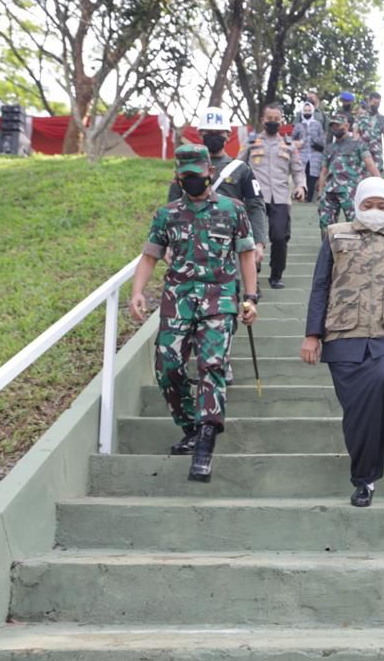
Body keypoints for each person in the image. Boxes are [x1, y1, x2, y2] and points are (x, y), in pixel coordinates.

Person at [130, 144, 260, 482]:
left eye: (197, 175)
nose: (191, 180)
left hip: (219, 300)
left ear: (210, 173)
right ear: (178, 177)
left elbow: (246, 255)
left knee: (212, 365)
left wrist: (250, 297)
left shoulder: (233, 209)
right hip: (178, 301)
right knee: (167, 367)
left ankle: (205, 441)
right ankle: (190, 426)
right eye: (185, 175)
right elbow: (150, 255)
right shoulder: (167, 214)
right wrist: (137, 292)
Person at [301, 176, 384, 507]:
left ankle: (364, 480)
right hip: (343, 334)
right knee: (357, 411)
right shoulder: (335, 234)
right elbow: (320, 286)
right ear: (357, 203)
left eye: (382, 205)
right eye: (368, 204)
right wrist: (312, 335)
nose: (375, 210)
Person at [168, 107, 267, 269]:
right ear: (200, 134)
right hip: (193, 244)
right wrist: (169, 240)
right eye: (209, 132)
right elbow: (172, 204)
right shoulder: (185, 168)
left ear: (228, 135)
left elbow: (255, 206)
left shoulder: (241, 169)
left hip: (231, 245)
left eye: (218, 132)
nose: (213, 136)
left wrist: (258, 242)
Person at [240, 102, 307, 290]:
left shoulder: (288, 145)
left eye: (276, 119)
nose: (273, 122)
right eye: (269, 119)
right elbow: (239, 165)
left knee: (279, 237)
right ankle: (253, 277)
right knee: (254, 239)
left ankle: (276, 275)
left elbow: (297, 169)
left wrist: (301, 186)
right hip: (255, 197)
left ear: (281, 121)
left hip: (280, 197)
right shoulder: (251, 142)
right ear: (263, 120)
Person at [316, 112, 380, 233]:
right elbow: (324, 172)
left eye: (338, 125)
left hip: (350, 191)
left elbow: (370, 165)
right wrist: (320, 193)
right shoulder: (329, 148)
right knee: (325, 225)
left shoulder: (358, 144)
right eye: (333, 126)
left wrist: (380, 185)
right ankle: (327, 246)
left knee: (356, 225)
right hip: (330, 191)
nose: (335, 128)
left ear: (346, 125)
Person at [293, 101, 325, 201]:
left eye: (309, 110)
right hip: (302, 154)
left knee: (313, 176)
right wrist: (298, 143)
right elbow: (291, 139)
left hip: (315, 155)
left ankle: (310, 198)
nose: (307, 112)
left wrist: (315, 140)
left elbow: (323, 140)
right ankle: (302, 195)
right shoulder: (298, 125)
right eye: (305, 111)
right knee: (302, 174)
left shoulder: (318, 124)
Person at [356, 91, 384, 173]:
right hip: (363, 151)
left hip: (376, 152)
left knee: (376, 175)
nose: (376, 105)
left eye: (378, 103)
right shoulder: (361, 116)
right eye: (374, 103)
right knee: (362, 175)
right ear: (369, 101)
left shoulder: (382, 118)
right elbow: (356, 133)